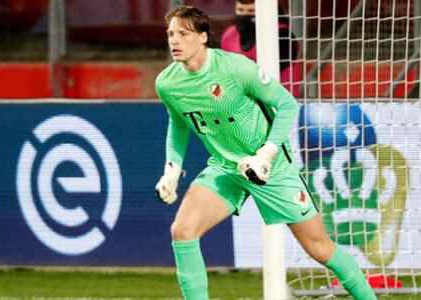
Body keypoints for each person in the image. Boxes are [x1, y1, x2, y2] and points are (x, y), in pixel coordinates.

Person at [154, 5, 377, 300]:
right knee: (182, 231)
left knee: (319, 248)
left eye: (183, 33)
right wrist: (172, 169)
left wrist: (265, 156)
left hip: (271, 168)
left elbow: (286, 104)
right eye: (171, 34)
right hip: (225, 168)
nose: (175, 40)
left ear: (203, 37)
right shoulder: (167, 83)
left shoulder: (235, 68)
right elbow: (179, 124)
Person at [220, 0, 302, 97]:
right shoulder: (229, 35)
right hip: (243, 102)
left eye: (251, 11)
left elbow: (265, 75)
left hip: (280, 100)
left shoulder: (282, 35)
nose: (245, 15)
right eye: (240, 10)